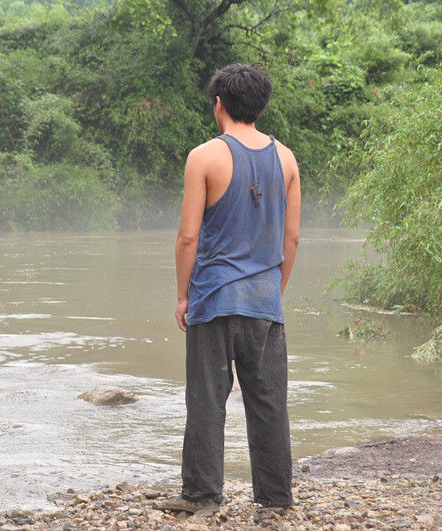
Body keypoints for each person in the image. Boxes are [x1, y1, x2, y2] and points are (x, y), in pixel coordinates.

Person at [161, 64, 301, 515]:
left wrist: (183, 296)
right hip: (264, 301)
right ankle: (275, 499)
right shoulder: (287, 159)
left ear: (219, 103)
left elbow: (188, 237)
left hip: (213, 297)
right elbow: (291, 239)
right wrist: (273, 289)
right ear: (260, 105)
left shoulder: (204, 156)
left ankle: (202, 495)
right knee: (268, 402)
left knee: (207, 399)